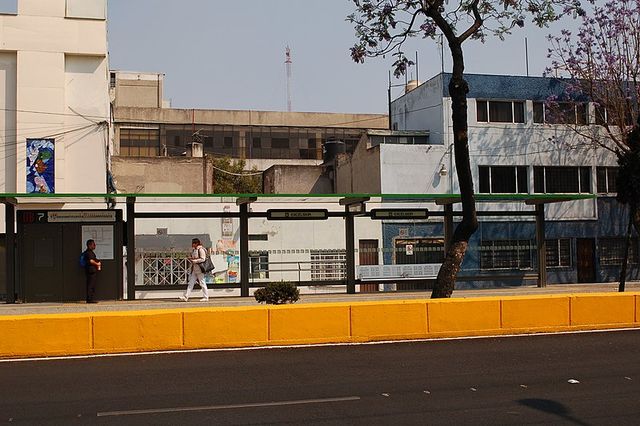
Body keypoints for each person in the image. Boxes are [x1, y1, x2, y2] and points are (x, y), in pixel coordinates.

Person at [83, 239, 101, 304]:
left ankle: (90, 299)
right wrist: (97, 264)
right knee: (90, 285)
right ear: (89, 245)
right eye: (93, 244)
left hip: (90, 271)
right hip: (90, 271)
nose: (95, 245)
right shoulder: (89, 252)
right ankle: (89, 300)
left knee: (91, 285)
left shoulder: (89, 252)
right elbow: (91, 261)